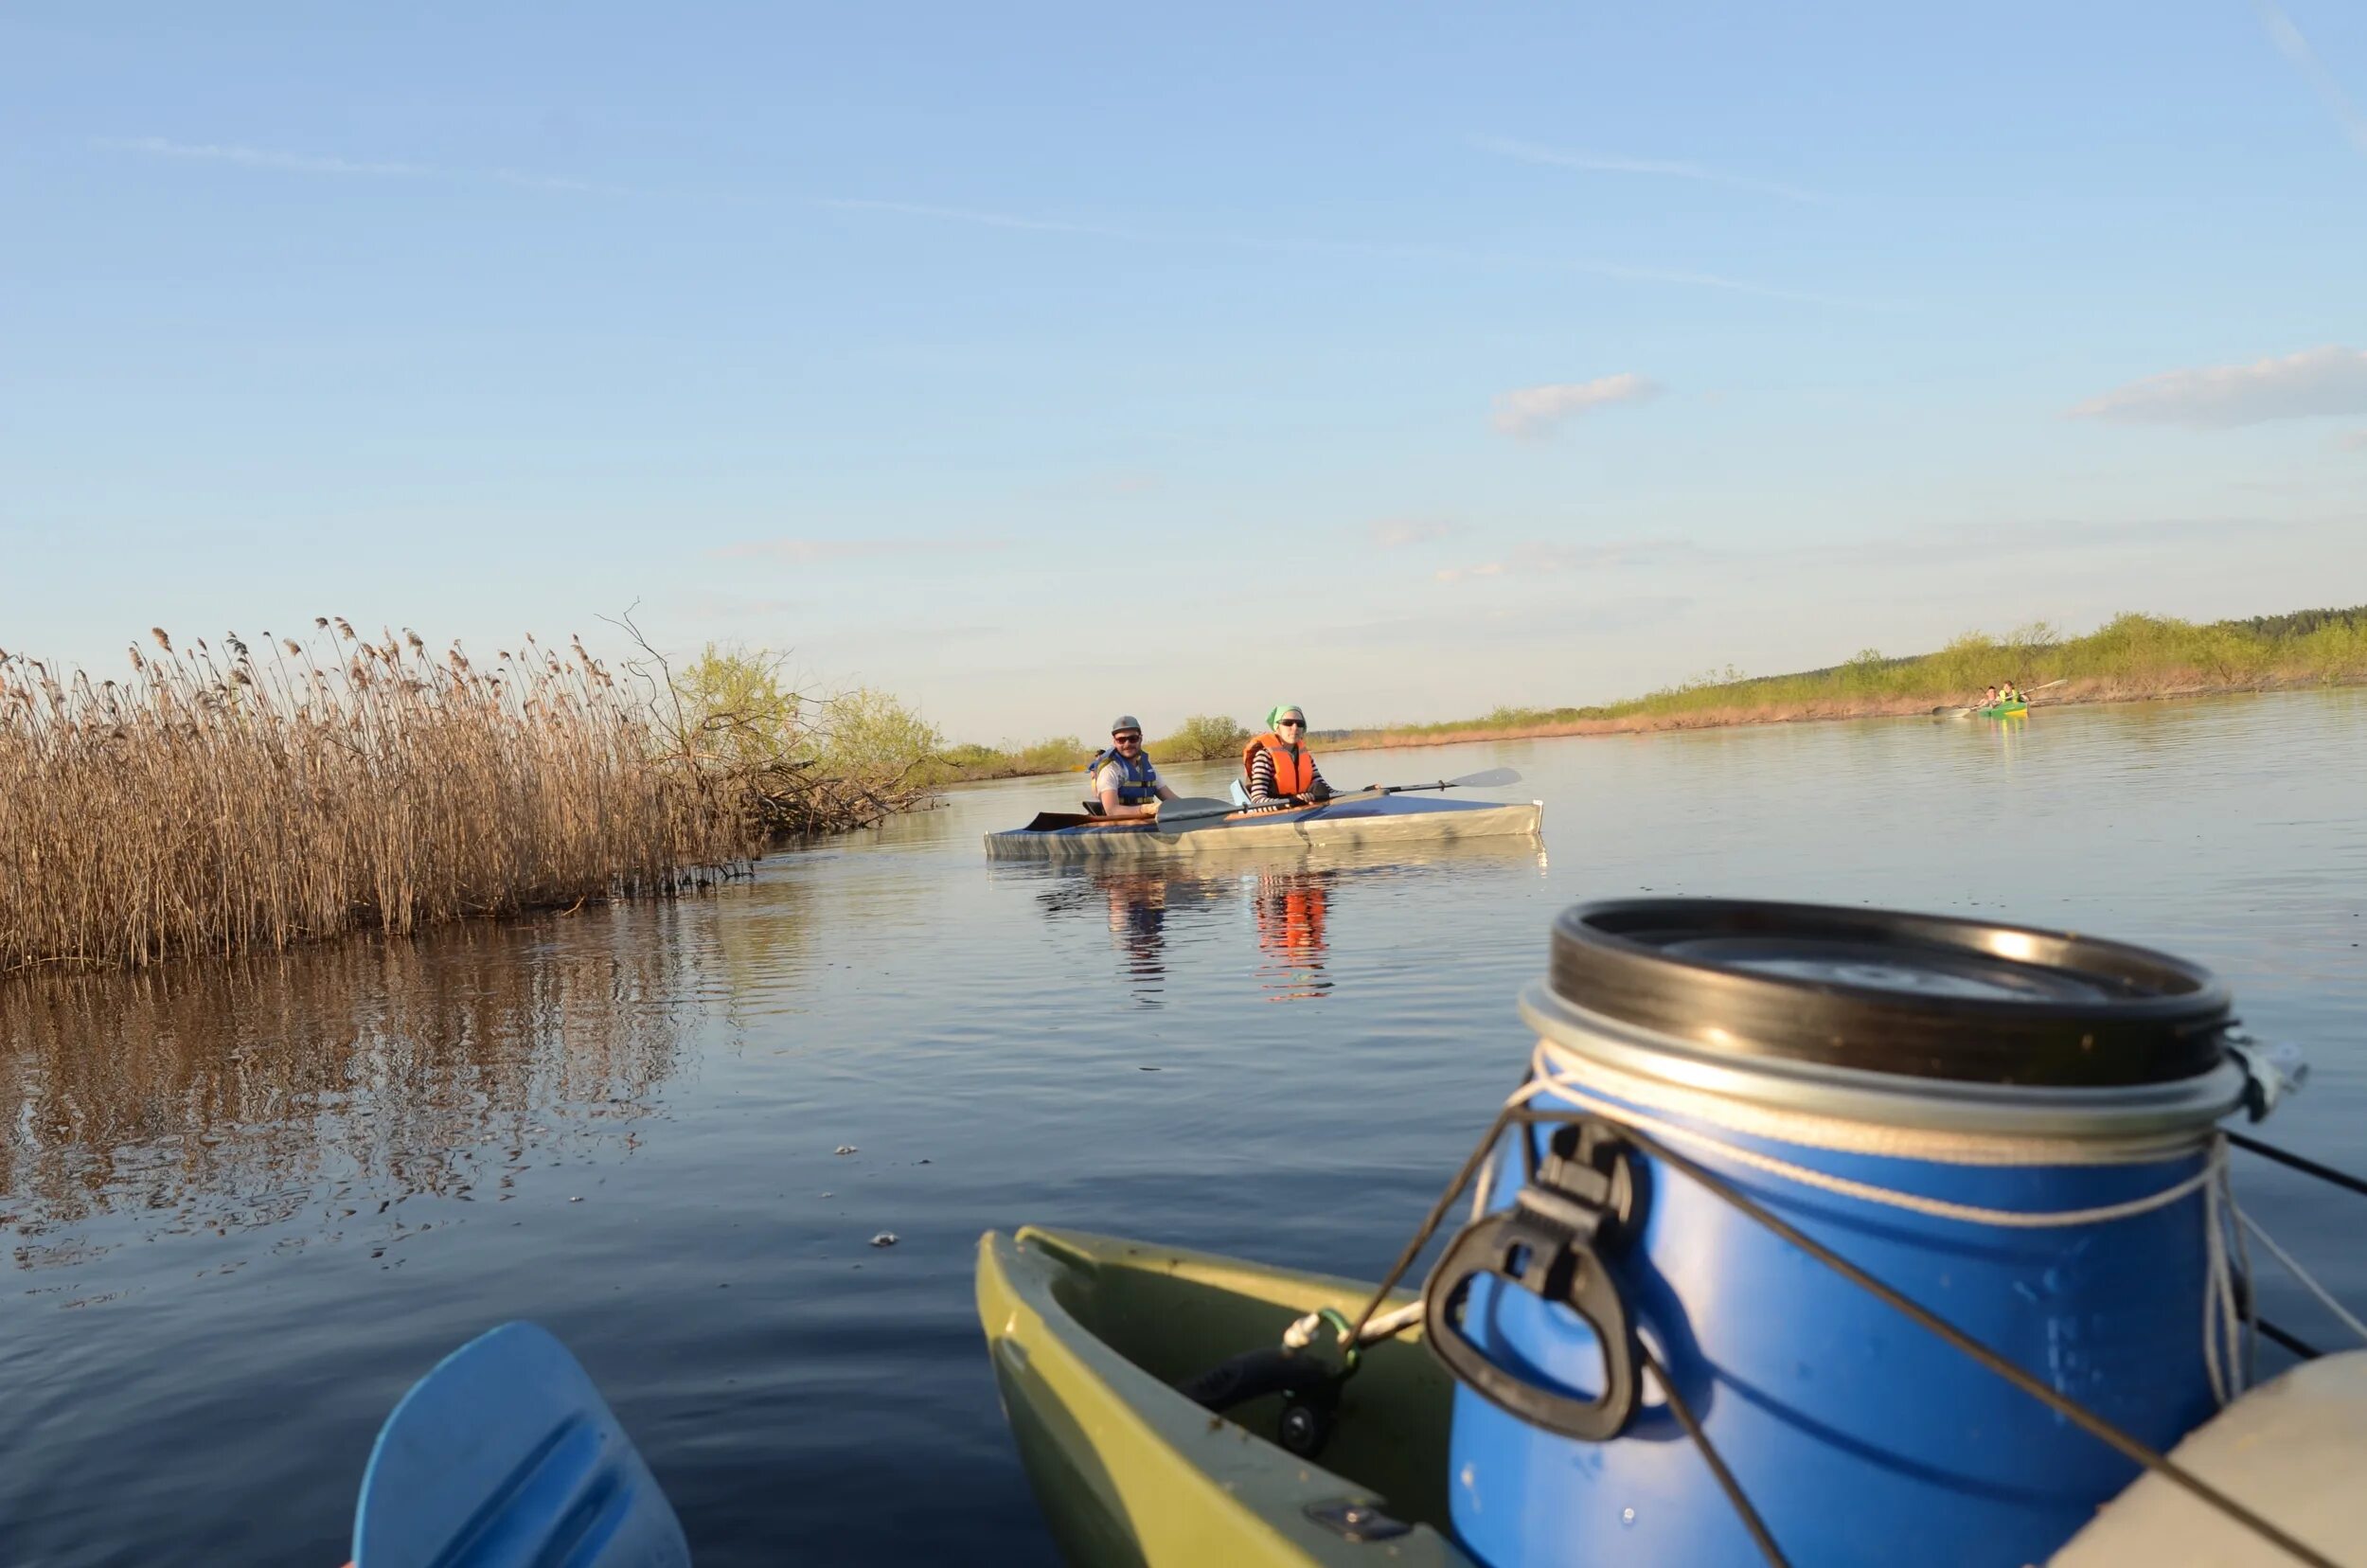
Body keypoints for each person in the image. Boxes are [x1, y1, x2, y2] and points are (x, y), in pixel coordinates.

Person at [1241, 704, 1334, 807]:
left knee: (1319, 788)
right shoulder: (1264, 756)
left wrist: (1350, 796)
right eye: (1288, 723)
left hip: (1302, 804)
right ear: (1277, 728)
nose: (1295, 727)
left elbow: (1328, 790)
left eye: (1300, 724)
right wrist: (1291, 801)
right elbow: (1257, 800)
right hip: (1279, 809)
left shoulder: (1305, 755)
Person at [1089, 716, 1177, 819]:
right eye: (1121, 740)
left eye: (1133, 739)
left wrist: (1192, 808)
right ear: (1114, 742)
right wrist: (1145, 809)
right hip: (1123, 828)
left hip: (1149, 823)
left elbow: (1173, 800)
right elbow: (1112, 811)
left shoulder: (1148, 767)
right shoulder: (1110, 770)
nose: (1127, 744)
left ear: (1140, 738)